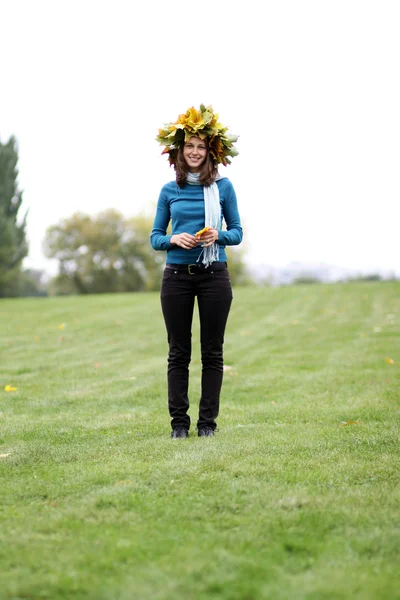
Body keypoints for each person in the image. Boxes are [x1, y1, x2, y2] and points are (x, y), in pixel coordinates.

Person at [150, 104, 243, 439]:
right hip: (176, 278)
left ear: (210, 151)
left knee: (212, 352)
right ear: (179, 150)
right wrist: (175, 238)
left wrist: (218, 234)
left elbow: (237, 232)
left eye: (200, 146)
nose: (194, 151)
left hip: (214, 275)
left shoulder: (224, 187)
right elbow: (155, 238)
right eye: (189, 145)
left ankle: (207, 425)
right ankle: (179, 424)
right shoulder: (168, 190)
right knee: (178, 352)